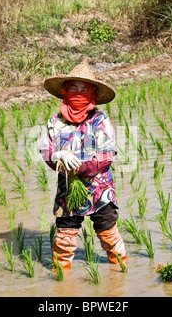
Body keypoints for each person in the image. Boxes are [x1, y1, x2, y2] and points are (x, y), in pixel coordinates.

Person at [39, 59, 128, 270]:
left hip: (100, 190)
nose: (78, 93)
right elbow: (46, 151)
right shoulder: (55, 121)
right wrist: (57, 156)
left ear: (92, 94)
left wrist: (78, 167)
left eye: (84, 89)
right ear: (65, 91)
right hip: (69, 190)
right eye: (73, 88)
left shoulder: (99, 120)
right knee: (64, 240)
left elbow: (106, 156)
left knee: (109, 236)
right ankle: (62, 282)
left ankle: (120, 274)